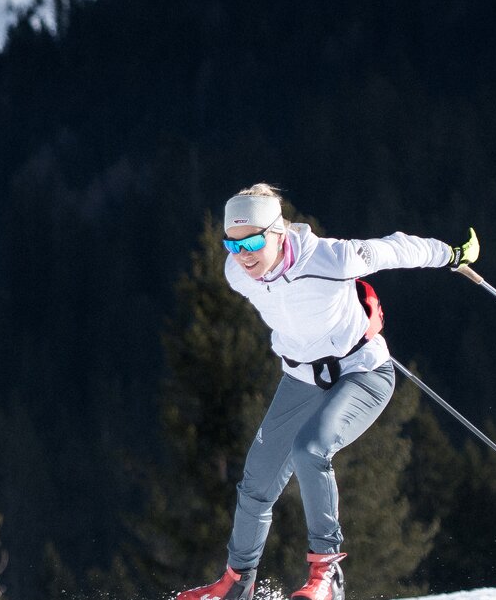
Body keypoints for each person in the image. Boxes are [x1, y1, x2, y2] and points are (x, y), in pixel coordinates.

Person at [175, 183, 477, 600]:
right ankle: (236, 584)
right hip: (300, 380)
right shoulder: (237, 274)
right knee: (256, 483)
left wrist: (453, 255)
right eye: (232, 244)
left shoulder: (332, 258)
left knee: (311, 449)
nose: (243, 255)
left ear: (278, 233)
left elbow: (398, 249)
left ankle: (327, 576)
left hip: (363, 373)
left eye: (253, 242)